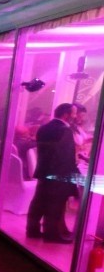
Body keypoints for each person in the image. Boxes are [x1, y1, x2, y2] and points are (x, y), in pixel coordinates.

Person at [26, 103, 80, 243]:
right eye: (73, 113)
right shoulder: (65, 131)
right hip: (58, 174)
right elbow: (66, 156)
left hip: (44, 171)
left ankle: (32, 230)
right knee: (55, 204)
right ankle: (52, 234)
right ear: (65, 115)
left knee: (39, 201)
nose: (75, 116)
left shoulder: (43, 128)